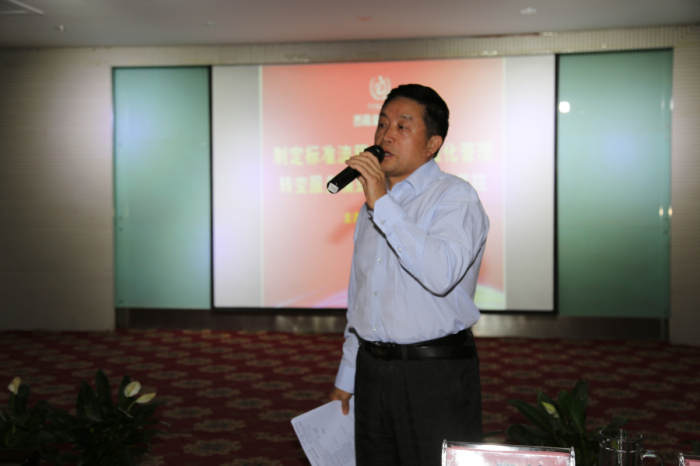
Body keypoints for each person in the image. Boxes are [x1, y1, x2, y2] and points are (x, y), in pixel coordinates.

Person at [328, 84, 490, 466]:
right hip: (372, 372)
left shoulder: (456, 197)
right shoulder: (372, 207)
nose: (385, 135)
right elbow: (362, 298)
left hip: (434, 375)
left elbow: (440, 274)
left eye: (402, 126)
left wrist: (382, 204)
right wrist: (346, 378)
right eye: (382, 123)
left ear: (432, 144)